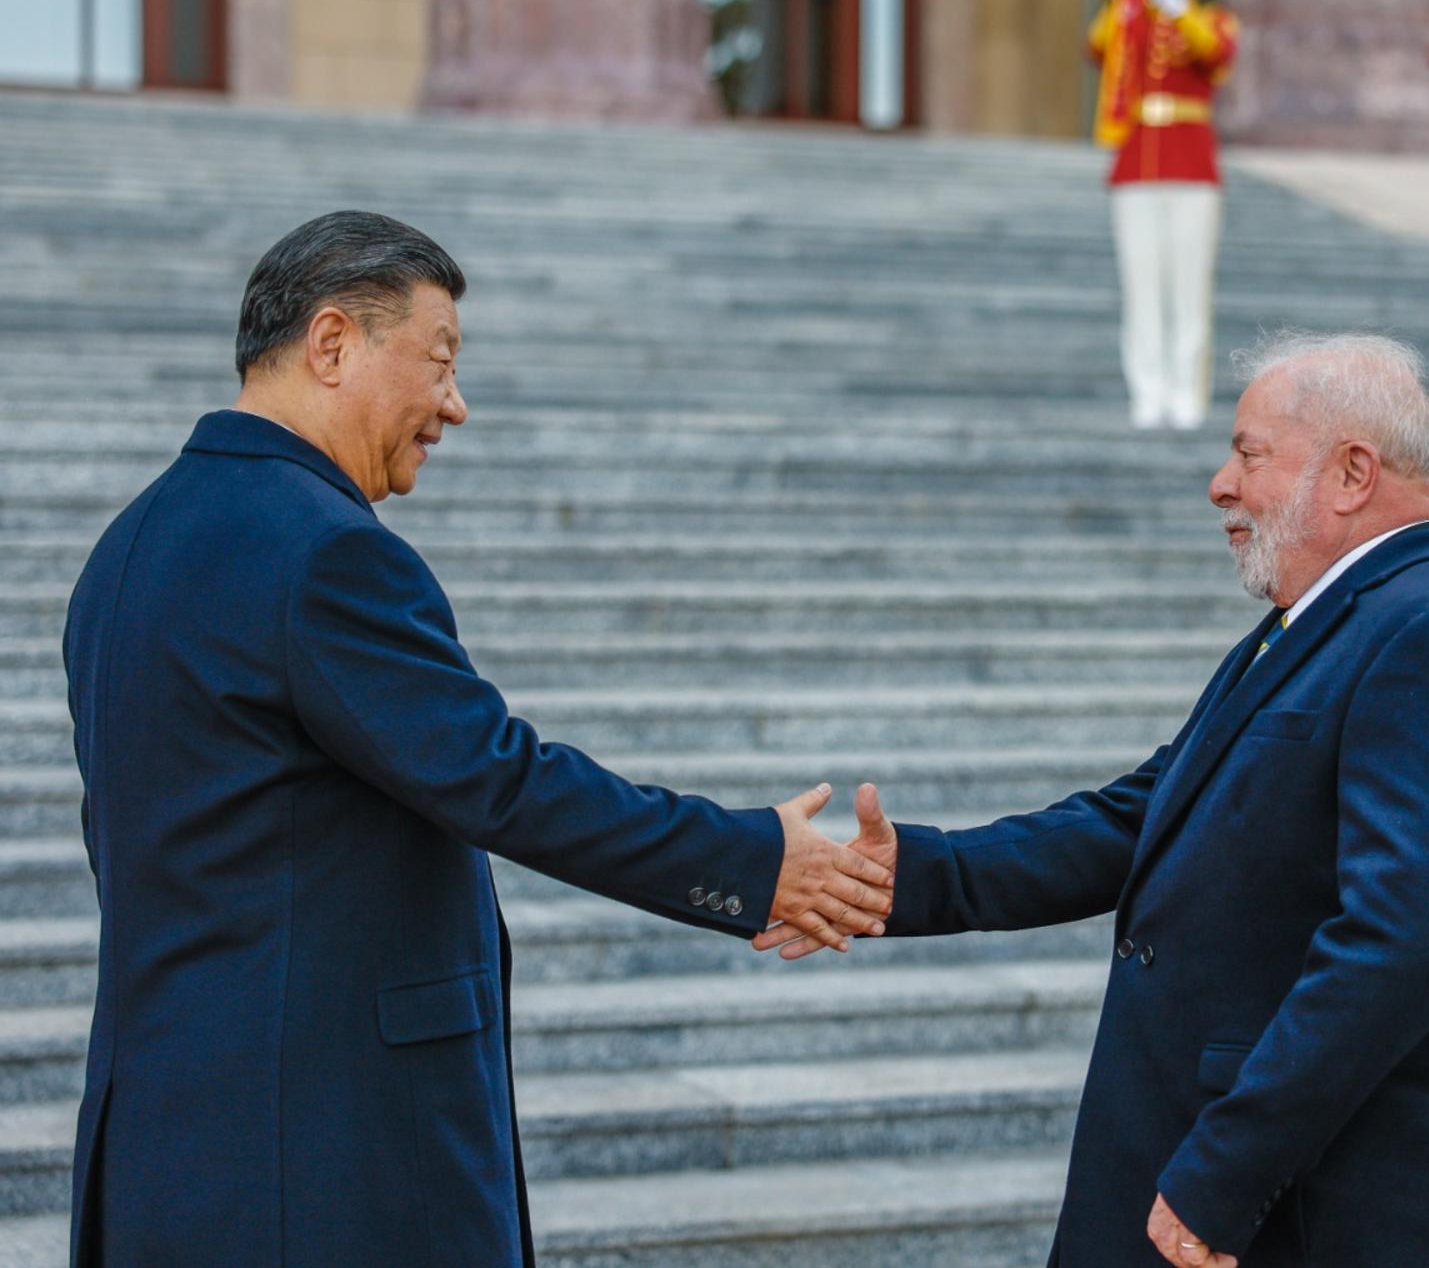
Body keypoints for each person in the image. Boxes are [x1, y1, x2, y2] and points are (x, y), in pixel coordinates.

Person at [61, 211, 894, 1265]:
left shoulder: (125, 548)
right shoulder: (324, 553)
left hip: (165, 1151)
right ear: (331, 345)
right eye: (439, 363)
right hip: (318, 1163)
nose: (454, 404)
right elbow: (499, 779)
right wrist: (754, 862)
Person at [762, 332, 1429, 1268]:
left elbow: (1399, 945)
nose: (1221, 483)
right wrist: (912, 874)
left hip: (1332, 1211)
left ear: (1353, 472)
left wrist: (1229, 1166)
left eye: (1250, 453)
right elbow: (1138, 816)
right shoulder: (1321, 626)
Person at [1089, 0, 1238, 431]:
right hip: (1136, 163)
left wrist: (1172, 3)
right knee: (1142, 286)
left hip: (1191, 165)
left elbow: (1213, 55)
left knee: (1189, 285)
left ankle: (1186, 392)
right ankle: (1147, 392)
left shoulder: (1213, 20)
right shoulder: (1133, 22)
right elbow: (1097, 45)